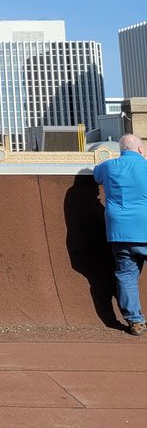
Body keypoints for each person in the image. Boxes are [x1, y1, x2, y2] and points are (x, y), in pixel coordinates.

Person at [93, 133, 147, 335]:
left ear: (121, 150)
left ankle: (135, 321)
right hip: (145, 226)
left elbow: (96, 174)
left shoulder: (109, 166)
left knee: (126, 275)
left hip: (119, 231)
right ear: (140, 150)